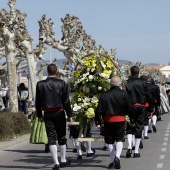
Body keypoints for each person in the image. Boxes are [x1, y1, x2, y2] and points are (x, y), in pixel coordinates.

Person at [35, 63, 72, 170]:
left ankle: (56, 162)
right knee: (62, 136)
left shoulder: (40, 84)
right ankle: (63, 159)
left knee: (51, 137)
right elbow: (66, 101)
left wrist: (38, 114)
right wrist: (70, 115)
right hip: (59, 112)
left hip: (47, 113)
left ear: (48, 71)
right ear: (56, 72)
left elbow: (38, 101)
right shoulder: (62, 83)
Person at [95, 76, 135, 169]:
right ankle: (117, 157)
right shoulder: (123, 93)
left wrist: (97, 121)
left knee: (109, 140)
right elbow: (130, 107)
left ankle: (112, 160)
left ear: (110, 84)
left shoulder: (104, 94)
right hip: (120, 119)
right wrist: (132, 119)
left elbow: (99, 109)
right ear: (119, 84)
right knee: (119, 138)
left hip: (108, 120)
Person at [125, 66, 153, 158]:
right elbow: (149, 96)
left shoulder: (127, 83)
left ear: (131, 72)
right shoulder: (143, 82)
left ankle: (129, 146)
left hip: (129, 107)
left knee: (129, 127)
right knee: (138, 127)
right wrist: (150, 109)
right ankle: (136, 151)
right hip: (141, 107)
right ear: (138, 72)